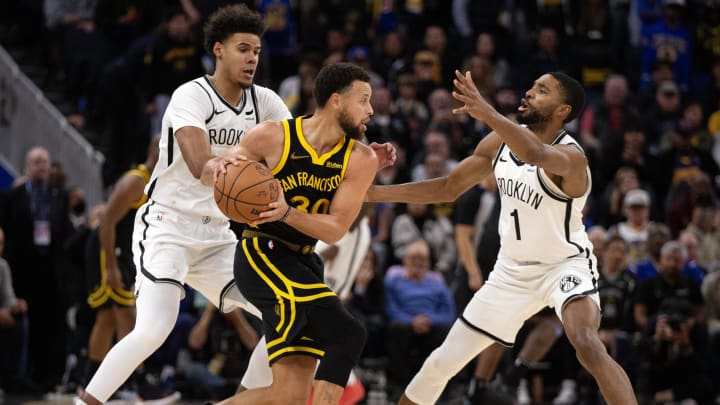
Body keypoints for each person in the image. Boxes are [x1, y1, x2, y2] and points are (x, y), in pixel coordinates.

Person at [366, 70, 637, 404]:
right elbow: (448, 188)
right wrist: (374, 193)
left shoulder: (572, 158)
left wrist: (488, 112)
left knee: (586, 343)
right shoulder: (498, 143)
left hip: (564, 266)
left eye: (542, 90)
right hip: (510, 272)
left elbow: (535, 154)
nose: (529, 92)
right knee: (439, 364)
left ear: (562, 110)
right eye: (532, 85)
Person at [76, 5, 293, 404]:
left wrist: (353, 155)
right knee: (154, 329)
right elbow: (199, 164)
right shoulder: (190, 94)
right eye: (243, 48)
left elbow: (301, 150)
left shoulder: (266, 103)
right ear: (218, 50)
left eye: (257, 51)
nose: (251, 58)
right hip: (167, 225)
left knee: (288, 315)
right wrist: (233, 170)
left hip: (217, 235)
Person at [213, 62, 385, 405]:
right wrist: (224, 164)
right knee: (348, 334)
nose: (371, 110)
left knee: (288, 396)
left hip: (304, 263)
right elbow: (227, 173)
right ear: (336, 100)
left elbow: (335, 229)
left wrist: (288, 213)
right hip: (261, 255)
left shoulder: (361, 159)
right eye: (363, 100)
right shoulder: (270, 136)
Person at [83, 136, 159, 384]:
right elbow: (106, 222)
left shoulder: (157, 183)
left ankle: (91, 381)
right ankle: (132, 382)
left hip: (124, 253)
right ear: (151, 150)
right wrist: (111, 268)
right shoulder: (135, 180)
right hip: (108, 250)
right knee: (127, 316)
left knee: (107, 319)